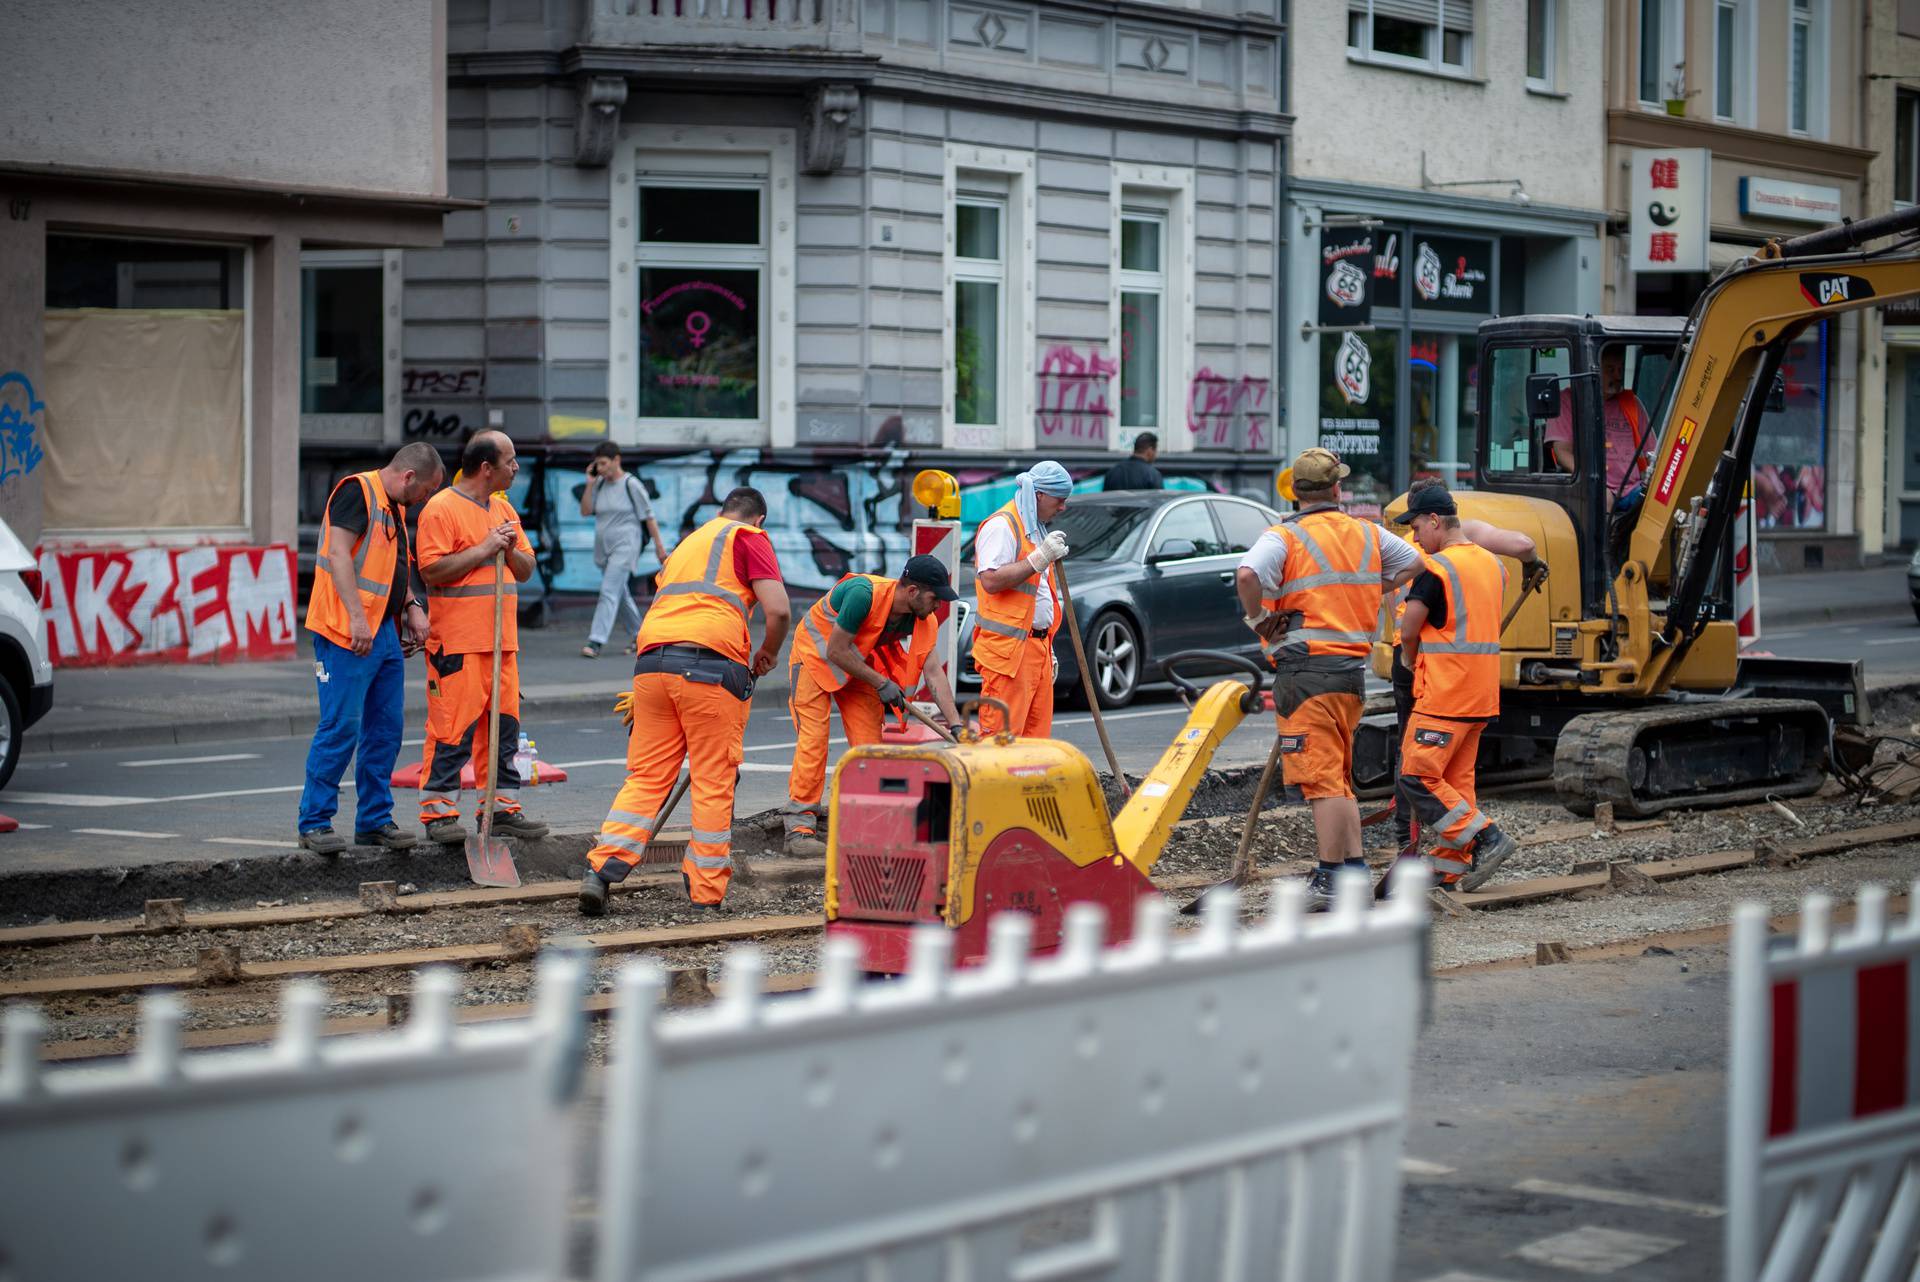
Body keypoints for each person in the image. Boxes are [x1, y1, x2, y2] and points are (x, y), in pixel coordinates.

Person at [579, 487, 791, 915]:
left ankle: (599, 873)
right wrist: (768, 651)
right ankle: (705, 893)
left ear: (720, 511)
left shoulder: (686, 545)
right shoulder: (748, 537)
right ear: (759, 519)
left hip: (652, 664)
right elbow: (779, 610)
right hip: (711, 669)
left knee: (646, 777)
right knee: (713, 781)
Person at [1235, 448, 1423, 912]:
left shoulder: (1283, 537)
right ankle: (1354, 872)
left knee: (1321, 782)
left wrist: (1258, 619)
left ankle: (1330, 876)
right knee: (1337, 780)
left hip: (1306, 672)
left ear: (1295, 491)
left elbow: (1245, 574)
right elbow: (1415, 563)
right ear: (1337, 489)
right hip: (1349, 673)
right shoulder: (1367, 533)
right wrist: (1367, 589)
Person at [1384, 478, 1547, 852]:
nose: (1415, 533)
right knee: (1458, 779)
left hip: (1439, 683)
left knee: (1415, 771)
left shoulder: (1433, 564)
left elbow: (1410, 627)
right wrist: (1533, 563)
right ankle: (1450, 866)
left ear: (1434, 519)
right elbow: (1522, 547)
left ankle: (1481, 838)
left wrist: (1409, 660)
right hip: (1480, 690)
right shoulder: (1491, 564)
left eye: (1418, 525)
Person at [296, 443, 445, 854]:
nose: (426, 501)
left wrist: (412, 606)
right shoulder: (357, 491)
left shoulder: (392, 505)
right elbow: (337, 554)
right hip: (345, 631)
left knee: (385, 730)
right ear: (409, 477)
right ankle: (314, 823)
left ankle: (375, 820)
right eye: (427, 491)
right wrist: (357, 617)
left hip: (381, 632)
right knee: (341, 726)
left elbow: (397, 567)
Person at [414, 431, 549, 845]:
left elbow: (525, 569)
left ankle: (501, 809)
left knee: (503, 731)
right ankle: (438, 814)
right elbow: (431, 571)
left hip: (501, 644)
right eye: (510, 460)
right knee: (452, 730)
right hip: (458, 644)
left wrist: (507, 549)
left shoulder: (504, 509)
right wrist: (485, 547)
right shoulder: (441, 509)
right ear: (486, 467)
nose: (516, 467)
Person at [781, 556, 967, 857]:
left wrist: (955, 724)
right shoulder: (862, 594)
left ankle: (864, 822)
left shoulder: (923, 619)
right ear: (912, 591)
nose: (938, 606)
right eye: (935, 598)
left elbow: (933, 673)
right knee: (813, 741)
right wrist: (881, 684)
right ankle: (799, 828)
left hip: (857, 663)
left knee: (869, 746)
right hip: (813, 658)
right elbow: (836, 650)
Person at [972, 461, 1072, 738]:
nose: (1062, 507)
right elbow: (990, 580)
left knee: (1034, 745)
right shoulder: (1002, 526)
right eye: (1059, 500)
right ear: (1039, 494)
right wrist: (1039, 559)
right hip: (1008, 656)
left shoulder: (1035, 528)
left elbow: (1038, 595)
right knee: (1000, 745)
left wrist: (1047, 648)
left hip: (1035, 650)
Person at [579, 442, 666, 658]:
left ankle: (596, 641)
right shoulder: (598, 484)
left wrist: (659, 546)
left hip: (626, 545)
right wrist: (589, 483)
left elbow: (649, 517)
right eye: (597, 464)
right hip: (604, 547)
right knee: (619, 592)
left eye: (603, 463)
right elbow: (586, 511)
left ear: (617, 460)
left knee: (608, 591)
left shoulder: (631, 484)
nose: (600, 468)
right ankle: (641, 635)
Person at [1545, 346, 1651, 495]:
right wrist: (1594, 485)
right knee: (1603, 501)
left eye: (1620, 370)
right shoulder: (1568, 401)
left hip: (1633, 489)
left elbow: (1652, 452)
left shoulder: (1632, 404)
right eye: (1610, 370)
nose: (1618, 376)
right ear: (1592, 371)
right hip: (1591, 488)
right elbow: (1562, 452)